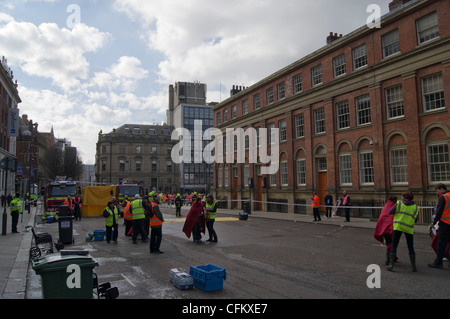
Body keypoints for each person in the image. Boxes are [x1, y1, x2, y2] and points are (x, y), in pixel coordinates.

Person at [387, 191, 420, 272]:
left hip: (398, 226)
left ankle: (391, 265)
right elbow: (416, 219)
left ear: (404, 197)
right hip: (408, 228)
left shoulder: (399, 203)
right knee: (410, 247)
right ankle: (413, 267)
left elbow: (390, 211)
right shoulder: (415, 207)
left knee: (394, 245)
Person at [428, 183, 450, 269]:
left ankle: (438, 262)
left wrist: (434, 222)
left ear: (441, 189)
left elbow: (439, 211)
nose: (437, 193)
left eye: (437, 190)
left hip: (445, 223)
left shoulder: (443, 197)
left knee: (441, 243)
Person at [373, 196, 397, 266]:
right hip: (389, 229)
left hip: (383, 228)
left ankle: (393, 257)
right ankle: (389, 259)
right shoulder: (393, 206)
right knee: (391, 244)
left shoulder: (386, 206)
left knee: (389, 243)